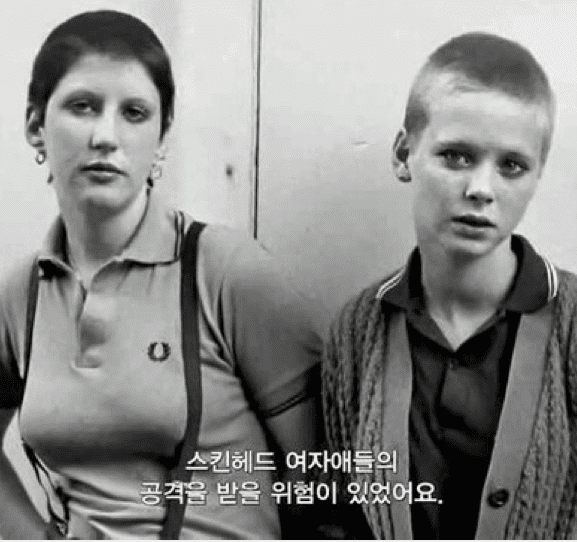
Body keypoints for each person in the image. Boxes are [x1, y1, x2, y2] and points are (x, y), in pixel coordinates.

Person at [0, 10, 323, 539]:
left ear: (162, 135)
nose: (106, 136)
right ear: (36, 124)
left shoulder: (227, 274)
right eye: (83, 107)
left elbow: (318, 482)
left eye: (134, 113)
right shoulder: (21, 294)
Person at [322, 32, 577, 540]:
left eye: (511, 166)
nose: (482, 189)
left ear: (537, 175)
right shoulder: (357, 331)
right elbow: (336, 511)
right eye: (457, 156)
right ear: (403, 154)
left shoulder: (572, 323)